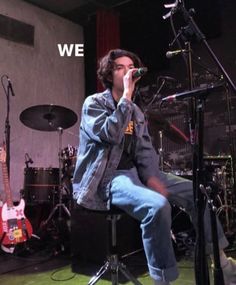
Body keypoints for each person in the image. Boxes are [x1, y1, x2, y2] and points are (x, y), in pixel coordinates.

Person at [72, 49, 236, 285]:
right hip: (109, 179)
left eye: (131, 66)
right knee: (157, 206)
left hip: (137, 174)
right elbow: (109, 134)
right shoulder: (94, 103)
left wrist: (152, 177)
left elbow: (145, 152)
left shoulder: (137, 113)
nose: (128, 70)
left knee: (198, 193)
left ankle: (223, 265)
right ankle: (162, 281)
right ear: (109, 75)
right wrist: (127, 96)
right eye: (120, 67)